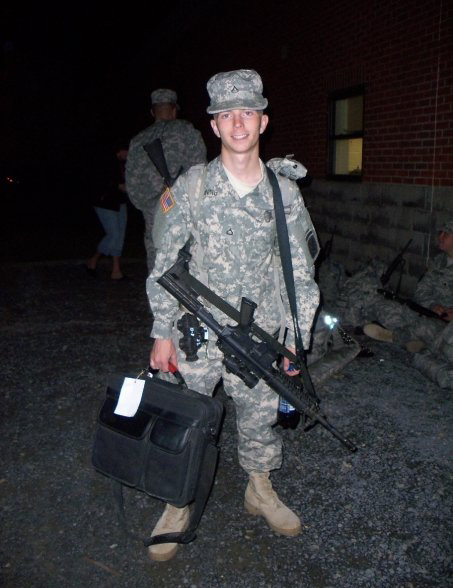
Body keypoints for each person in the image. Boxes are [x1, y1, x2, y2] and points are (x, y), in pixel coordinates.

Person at [146, 69, 320, 561]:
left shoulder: (284, 193)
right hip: (196, 331)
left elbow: (300, 275)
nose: (238, 123)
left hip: (260, 335)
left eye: (247, 112)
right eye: (227, 115)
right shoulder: (193, 187)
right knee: (187, 417)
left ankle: (259, 488)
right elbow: (163, 264)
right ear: (214, 125)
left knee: (260, 417)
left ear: (263, 121)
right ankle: (178, 500)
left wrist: (296, 341)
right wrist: (161, 331)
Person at [361, 220, 453, 389]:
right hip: (426, 311)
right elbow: (421, 290)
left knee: (424, 327)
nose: (440, 237)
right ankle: (416, 342)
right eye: (440, 233)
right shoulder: (438, 261)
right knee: (386, 307)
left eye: (445, 234)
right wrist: (433, 305)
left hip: (445, 326)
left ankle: (395, 336)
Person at [126, 88, 207, 271]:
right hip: (184, 211)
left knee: (158, 264)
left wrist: (151, 206)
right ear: (174, 110)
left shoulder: (138, 140)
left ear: (152, 111)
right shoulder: (186, 131)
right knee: (188, 266)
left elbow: (132, 184)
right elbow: (200, 172)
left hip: (153, 213)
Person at [86, 145, 129, 280]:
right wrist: (118, 186)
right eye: (127, 151)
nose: (128, 154)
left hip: (120, 202)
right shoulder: (104, 161)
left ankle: (116, 270)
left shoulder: (125, 164)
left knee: (120, 236)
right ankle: (93, 259)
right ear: (120, 149)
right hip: (105, 203)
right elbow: (98, 181)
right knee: (113, 235)